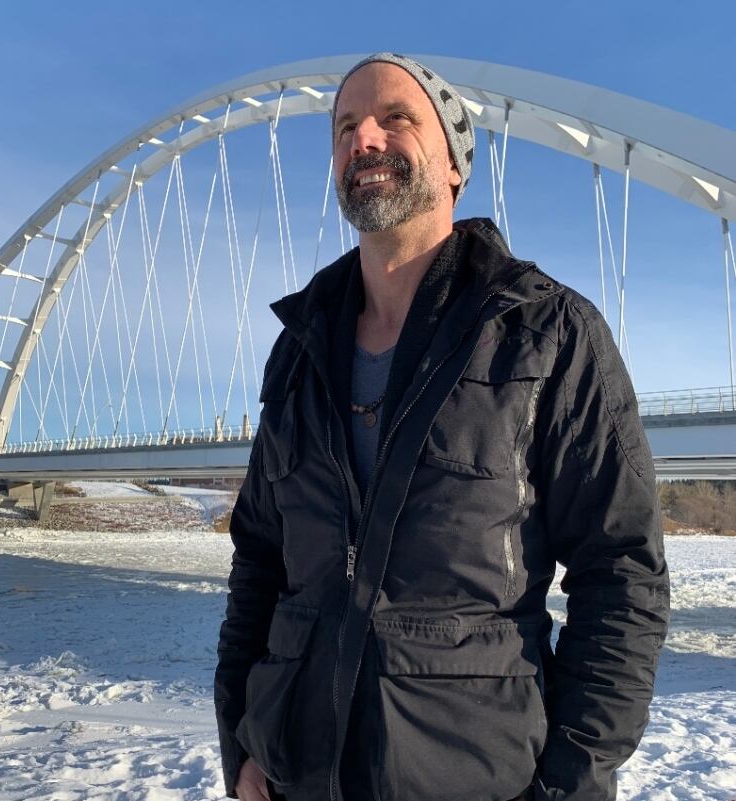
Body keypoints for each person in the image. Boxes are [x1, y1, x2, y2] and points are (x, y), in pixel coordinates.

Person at [214, 52, 670, 801]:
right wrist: (239, 743)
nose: (363, 138)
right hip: (297, 779)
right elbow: (260, 560)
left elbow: (622, 574)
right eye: (343, 128)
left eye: (396, 118)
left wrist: (567, 786)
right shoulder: (299, 352)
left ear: (454, 163)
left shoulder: (548, 334)